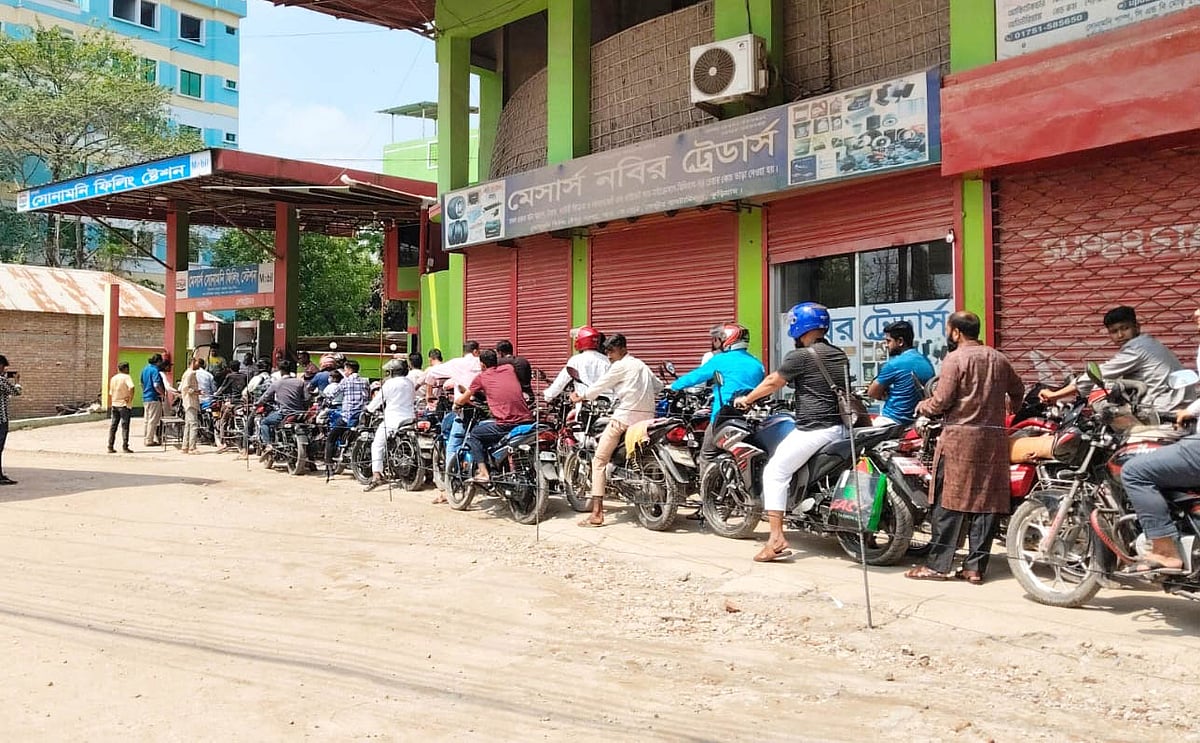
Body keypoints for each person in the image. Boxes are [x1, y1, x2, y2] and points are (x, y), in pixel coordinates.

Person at [906, 311, 1025, 584]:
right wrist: (1007, 412)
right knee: (987, 502)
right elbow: (1018, 391)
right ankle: (975, 568)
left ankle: (938, 565)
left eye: (949, 330)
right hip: (994, 440)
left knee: (949, 501)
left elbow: (942, 400)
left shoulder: (955, 359)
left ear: (956, 332)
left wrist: (924, 406)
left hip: (960, 439)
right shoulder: (998, 358)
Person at [734, 303, 848, 563]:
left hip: (814, 429)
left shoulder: (800, 356)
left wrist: (748, 399)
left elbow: (773, 382)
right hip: (839, 428)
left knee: (775, 472)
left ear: (800, 326)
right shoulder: (837, 353)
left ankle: (776, 538)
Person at [570, 334, 663, 527]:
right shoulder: (641, 365)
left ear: (621, 349)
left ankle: (597, 513)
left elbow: (599, 387)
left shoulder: (620, 366)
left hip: (624, 419)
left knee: (599, 461)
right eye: (607, 352)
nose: (609, 356)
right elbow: (659, 386)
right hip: (647, 419)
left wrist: (581, 396)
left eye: (611, 352)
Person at [1040, 305, 1187, 411]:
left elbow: (1099, 374)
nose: (1120, 335)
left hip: (1166, 409)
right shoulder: (1148, 343)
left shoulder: (1137, 348)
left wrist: (1055, 395)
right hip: (1172, 404)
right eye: (1114, 331)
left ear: (1137, 326)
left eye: (1125, 328)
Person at [670, 323, 765, 461]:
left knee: (707, 454)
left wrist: (673, 387)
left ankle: (706, 482)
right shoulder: (756, 363)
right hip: (751, 418)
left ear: (728, 339)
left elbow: (696, 376)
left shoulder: (720, 360)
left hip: (724, 417)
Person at [455, 349, 533, 483]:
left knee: (474, 435)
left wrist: (456, 403)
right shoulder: (509, 369)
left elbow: (462, 399)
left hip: (506, 424)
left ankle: (484, 473)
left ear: (482, 365)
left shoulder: (481, 377)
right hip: (527, 421)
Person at [867, 320, 936, 425]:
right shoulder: (927, 363)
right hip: (917, 421)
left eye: (888, 341)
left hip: (891, 420)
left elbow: (872, 393)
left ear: (900, 341)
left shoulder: (893, 364)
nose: (886, 345)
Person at [363, 359, 417, 492]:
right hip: (410, 417)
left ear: (393, 371)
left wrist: (368, 409)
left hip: (393, 419)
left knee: (377, 444)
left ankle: (377, 475)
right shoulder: (409, 382)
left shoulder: (389, 384)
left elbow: (378, 400)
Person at [256, 359, 309, 456]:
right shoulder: (300, 382)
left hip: (284, 413)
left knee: (264, 422)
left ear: (280, 371)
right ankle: (311, 460)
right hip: (300, 413)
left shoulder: (277, 383)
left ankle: (268, 445)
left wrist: (257, 404)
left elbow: (265, 397)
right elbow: (307, 398)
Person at [544, 326, 611, 401]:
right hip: (608, 405)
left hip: (585, 406)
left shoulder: (575, 360)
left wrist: (548, 396)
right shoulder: (607, 361)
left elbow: (560, 382)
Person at [324, 359, 369, 467]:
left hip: (347, 416)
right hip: (361, 416)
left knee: (331, 438)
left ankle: (328, 464)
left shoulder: (346, 381)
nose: (344, 372)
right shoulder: (365, 381)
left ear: (349, 370)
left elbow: (333, 393)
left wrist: (326, 398)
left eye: (345, 369)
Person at [0, 355, 22, 485]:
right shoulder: (1, 381)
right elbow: (16, 392)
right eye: (3, 367)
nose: (4, 370)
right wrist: (17, 381)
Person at [107, 361, 135, 454]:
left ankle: (110, 446)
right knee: (125, 426)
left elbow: (111, 392)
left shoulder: (113, 378)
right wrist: (130, 398)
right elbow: (131, 387)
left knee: (113, 426)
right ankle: (125, 446)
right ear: (126, 369)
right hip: (124, 405)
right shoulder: (127, 377)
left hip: (115, 404)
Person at [140, 353, 166, 447]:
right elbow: (156, 385)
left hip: (146, 398)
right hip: (154, 398)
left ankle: (146, 438)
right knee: (153, 420)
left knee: (146, 420)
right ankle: (149, 440)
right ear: (158, 361)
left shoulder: (145, 369)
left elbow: (142, 384)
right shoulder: (155, 370)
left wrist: (145, 392)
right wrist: (162, 393)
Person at [179, 357, 202, 454]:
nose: (199, 364)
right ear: (193, 362)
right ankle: (192, 447)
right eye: (197, 362)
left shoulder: (187, 373)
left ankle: (185, 446)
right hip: (191, 402)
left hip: (188, 401)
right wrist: (196, 392)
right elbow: (185, 388)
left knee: (188, 424)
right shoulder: (190, 373)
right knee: (193, 424)